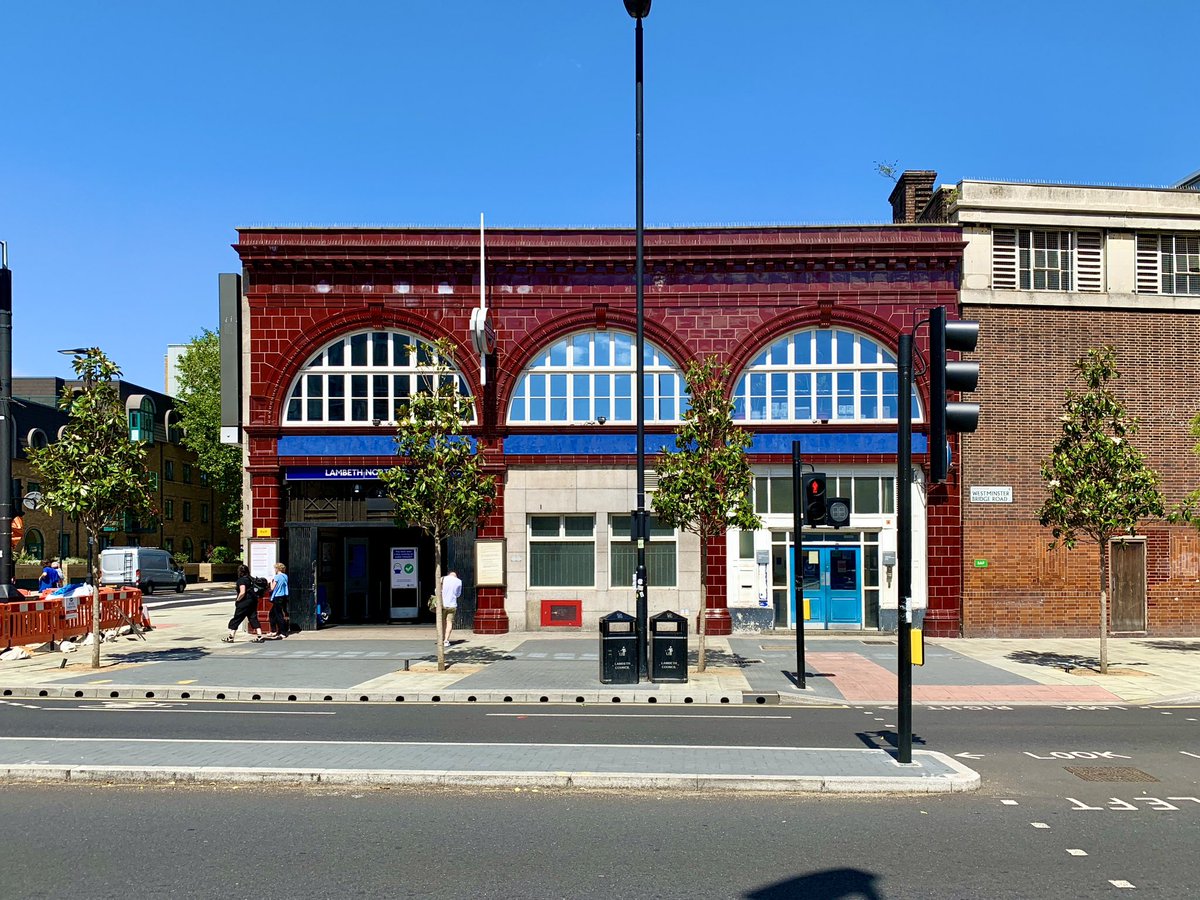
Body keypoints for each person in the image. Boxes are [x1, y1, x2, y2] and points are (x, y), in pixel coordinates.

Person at [223, 564, 266, 643]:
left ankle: (231, 637)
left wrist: (237, 600)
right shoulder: (251, 579)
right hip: (253, 601)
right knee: (253, 618)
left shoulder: (241, 580)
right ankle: (260, 636)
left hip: (244, 602)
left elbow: (242, 592)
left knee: (237, 618)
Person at [267, 562, 290, 639]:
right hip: (283, 596)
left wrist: (270, 582)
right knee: (272, 614)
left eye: (275, 568)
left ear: (277, 569)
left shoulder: (277, 577)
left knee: (278, 615)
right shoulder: (285, 576)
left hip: (277, 597)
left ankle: (283, 632)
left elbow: (272, 588)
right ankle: (274, 631)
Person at [440, 569, 462, 647]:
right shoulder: (459, 581)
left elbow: (436, 590)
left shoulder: (442, 579)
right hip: (452, 605)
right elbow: (458, 594)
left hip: (442, 605)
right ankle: (446, 640)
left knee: (442, 622)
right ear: (455, 575)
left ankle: (441, 639)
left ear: (448, 574)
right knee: (449, 622)